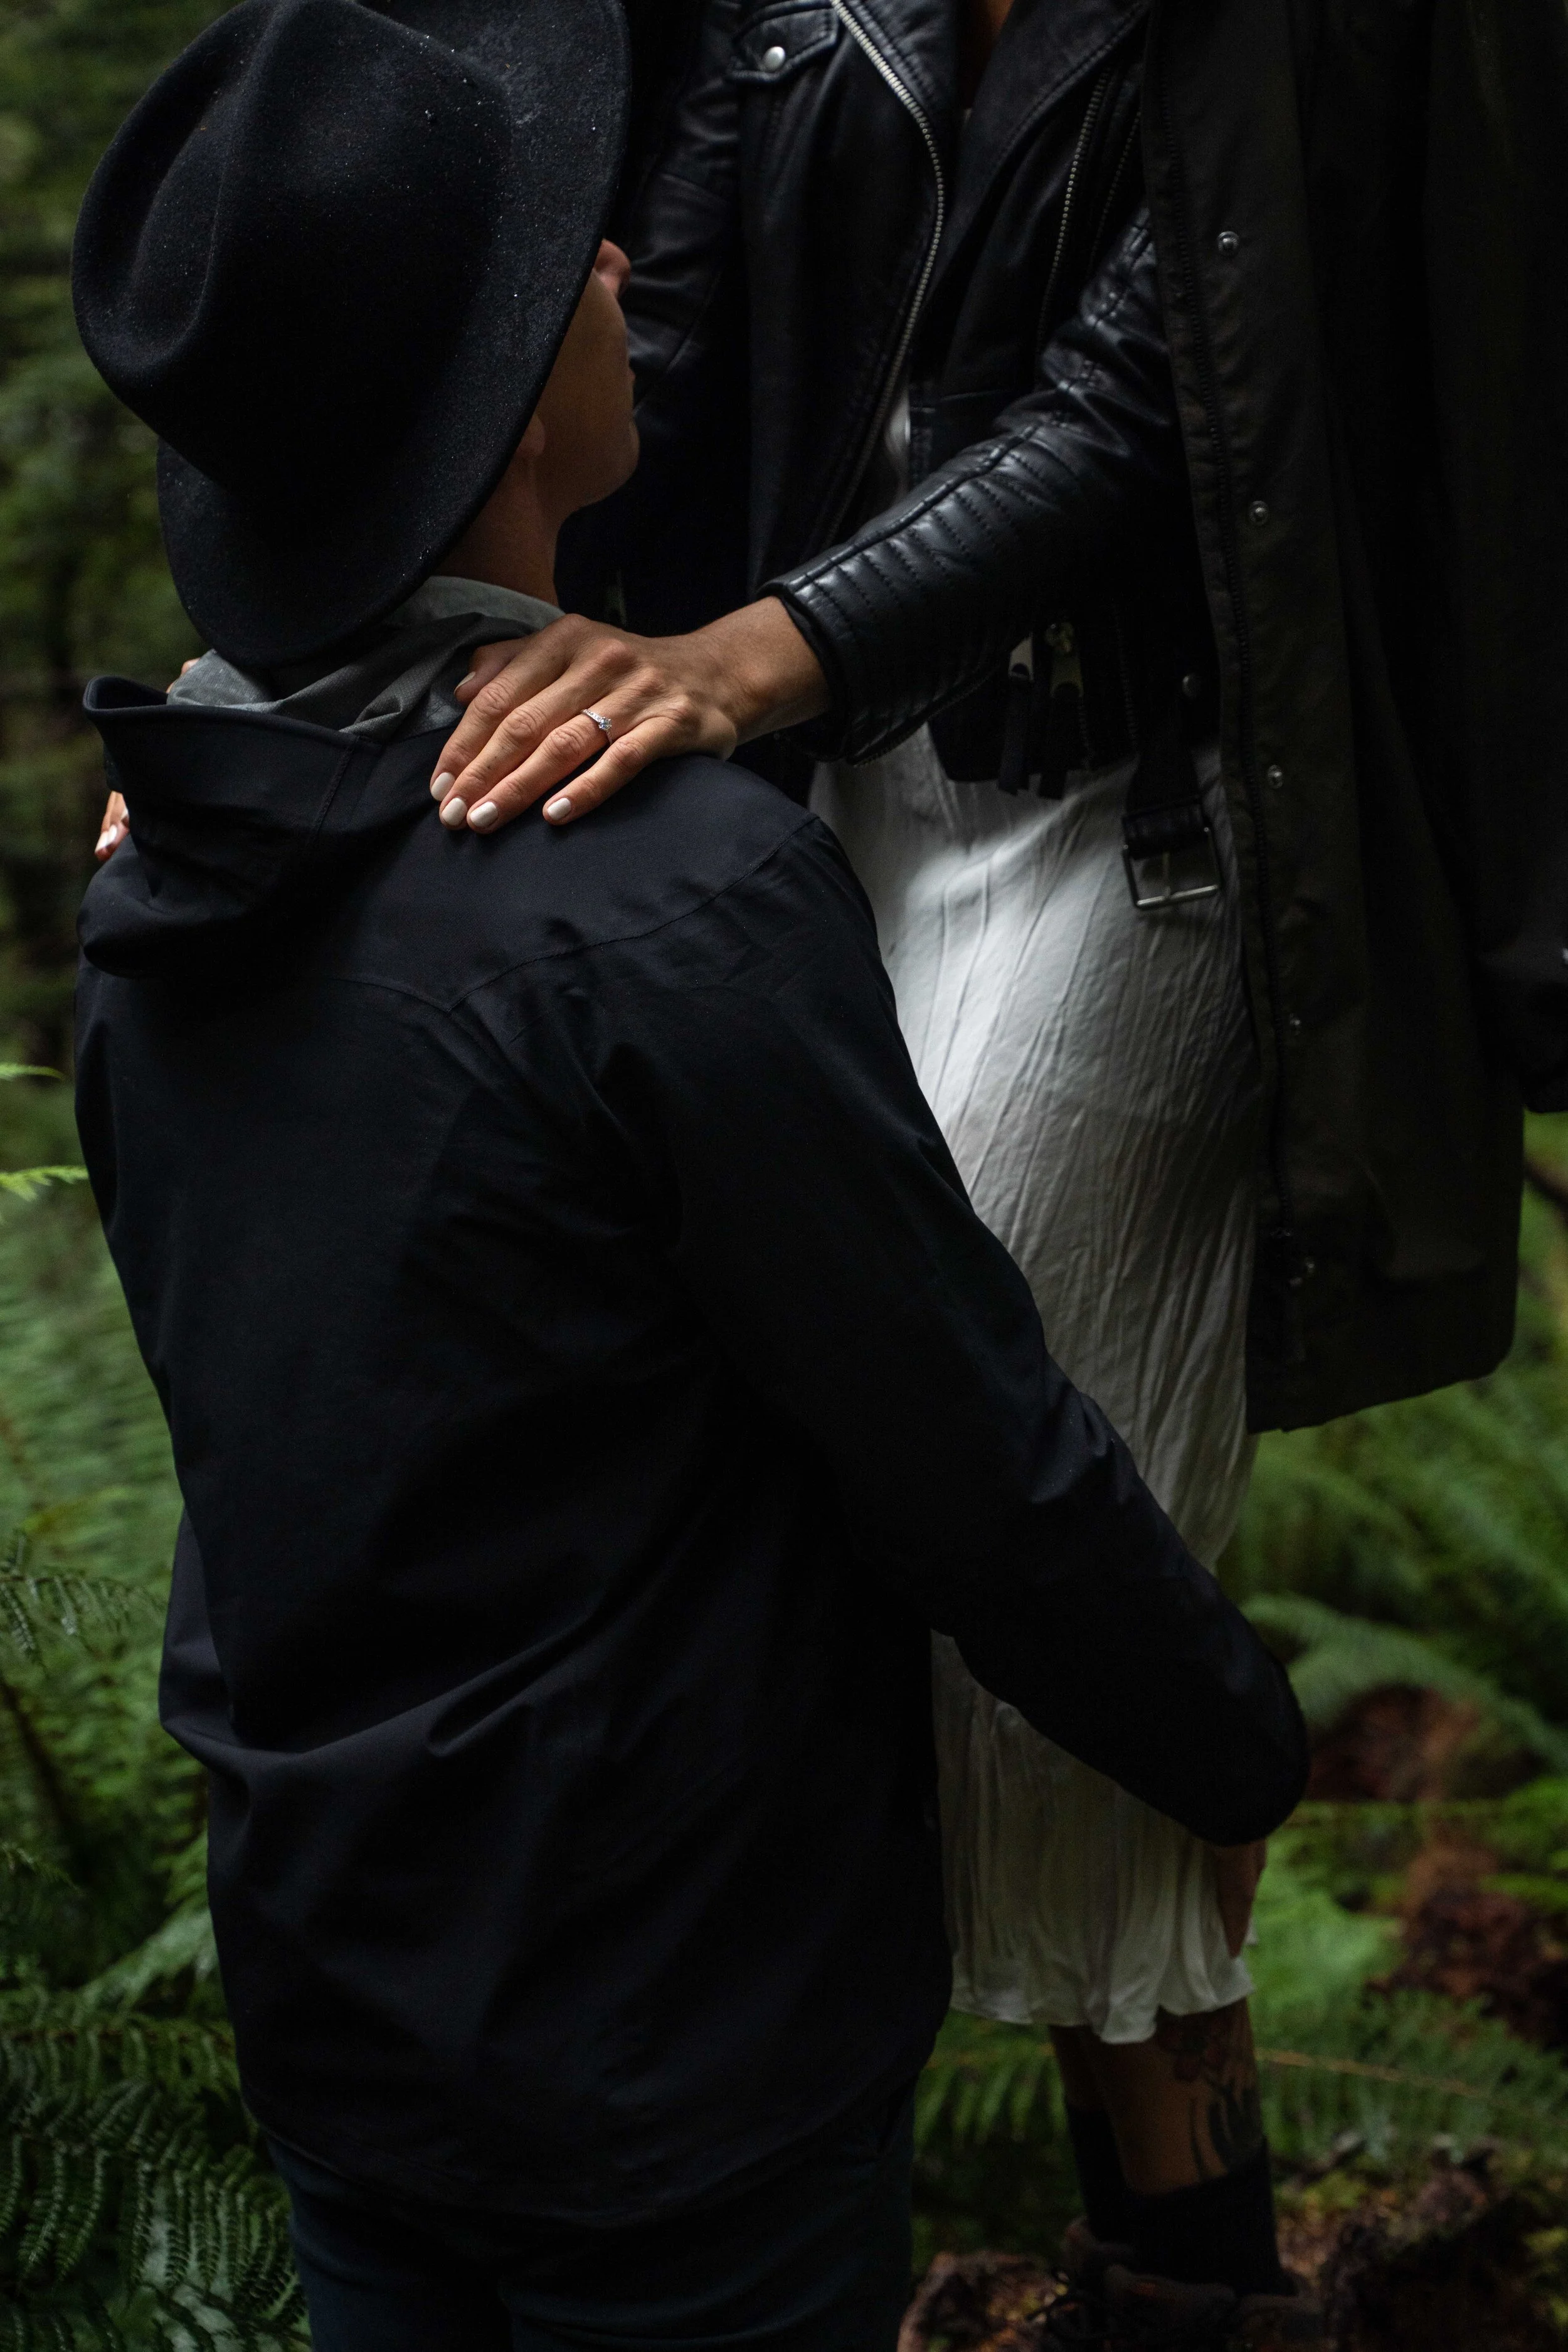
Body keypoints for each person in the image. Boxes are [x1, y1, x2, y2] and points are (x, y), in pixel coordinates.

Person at [70, 3, 1310, 2348]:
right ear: (510, 408)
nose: (623, 257)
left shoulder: (153, 891)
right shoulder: (671, 903)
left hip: (341, 2011)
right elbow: (967, 1445)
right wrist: (1232, 1735)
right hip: (693, 2060)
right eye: (567, 261)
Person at [351, 0, 1568, 2334]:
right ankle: (811, 2245)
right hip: (801, 781)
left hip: (1160, 817)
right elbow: (660, 321)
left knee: (1022, 1502)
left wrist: (744, 658)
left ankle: (1170, 2277)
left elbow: (1150, 402)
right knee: (727, 1466)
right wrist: (344, 690)